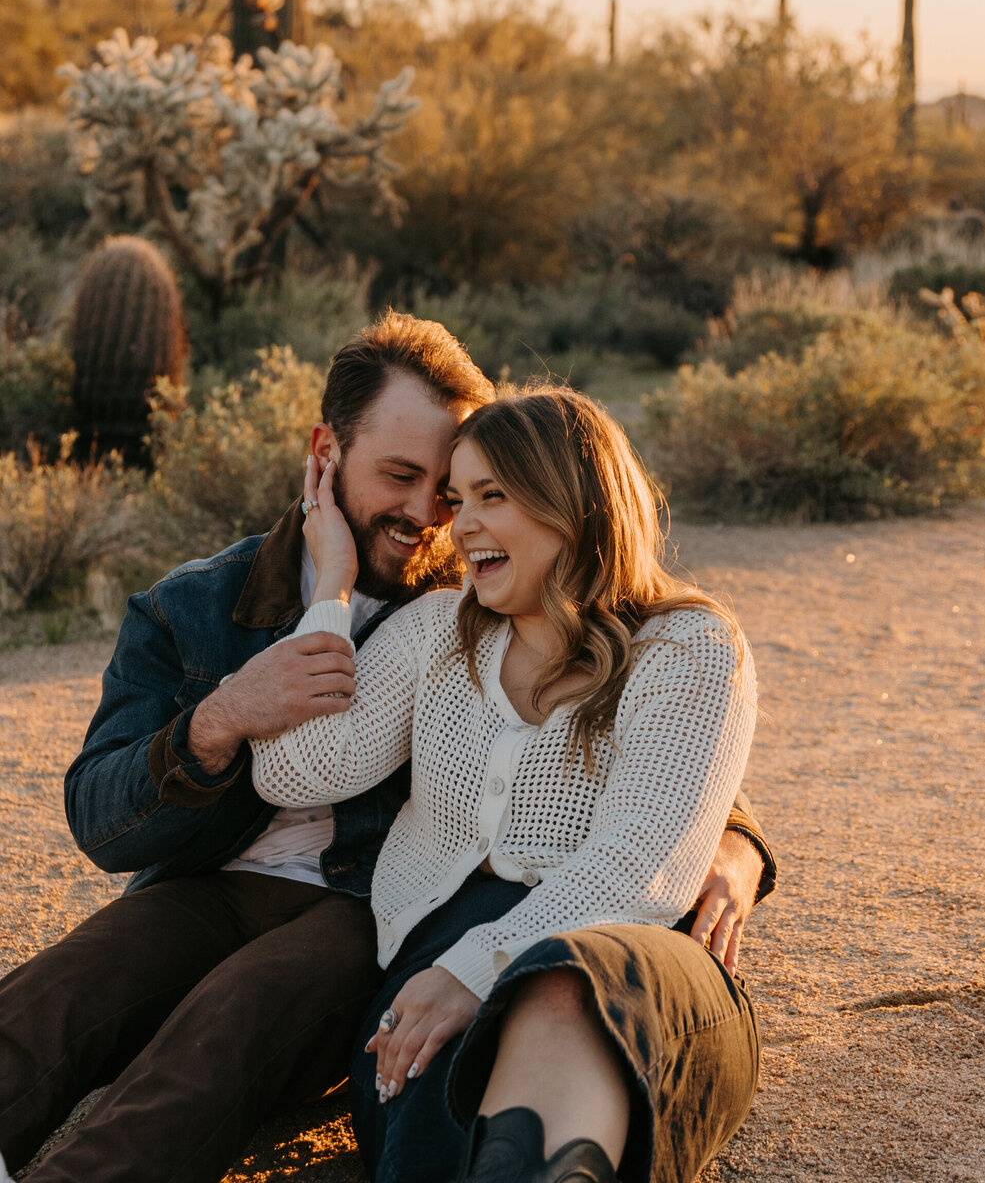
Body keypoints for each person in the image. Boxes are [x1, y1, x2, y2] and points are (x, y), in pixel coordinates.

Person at [0, 313, 775, 1183]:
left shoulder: (474, 591)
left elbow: (650, 760)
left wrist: (735, 843)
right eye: (404, 478)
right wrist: (220, 717)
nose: (432, 517)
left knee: (231, 1022)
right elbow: (104, 822)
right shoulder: (194, 607)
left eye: (459, 491)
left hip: (360, 901)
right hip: (219, 879)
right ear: (325, 453)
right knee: (63, 992)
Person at [253, 386, 761, 1183]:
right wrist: (331, 596)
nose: (460, 526)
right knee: (446, 1105)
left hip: (640, 968)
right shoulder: (436, 633)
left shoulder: (688, 647)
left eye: (494, 496)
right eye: (459, 501)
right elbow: (293, 768)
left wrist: (477, 967)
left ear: (578, 501)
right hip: (434, 964)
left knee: (560, 980)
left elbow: (645, 862)